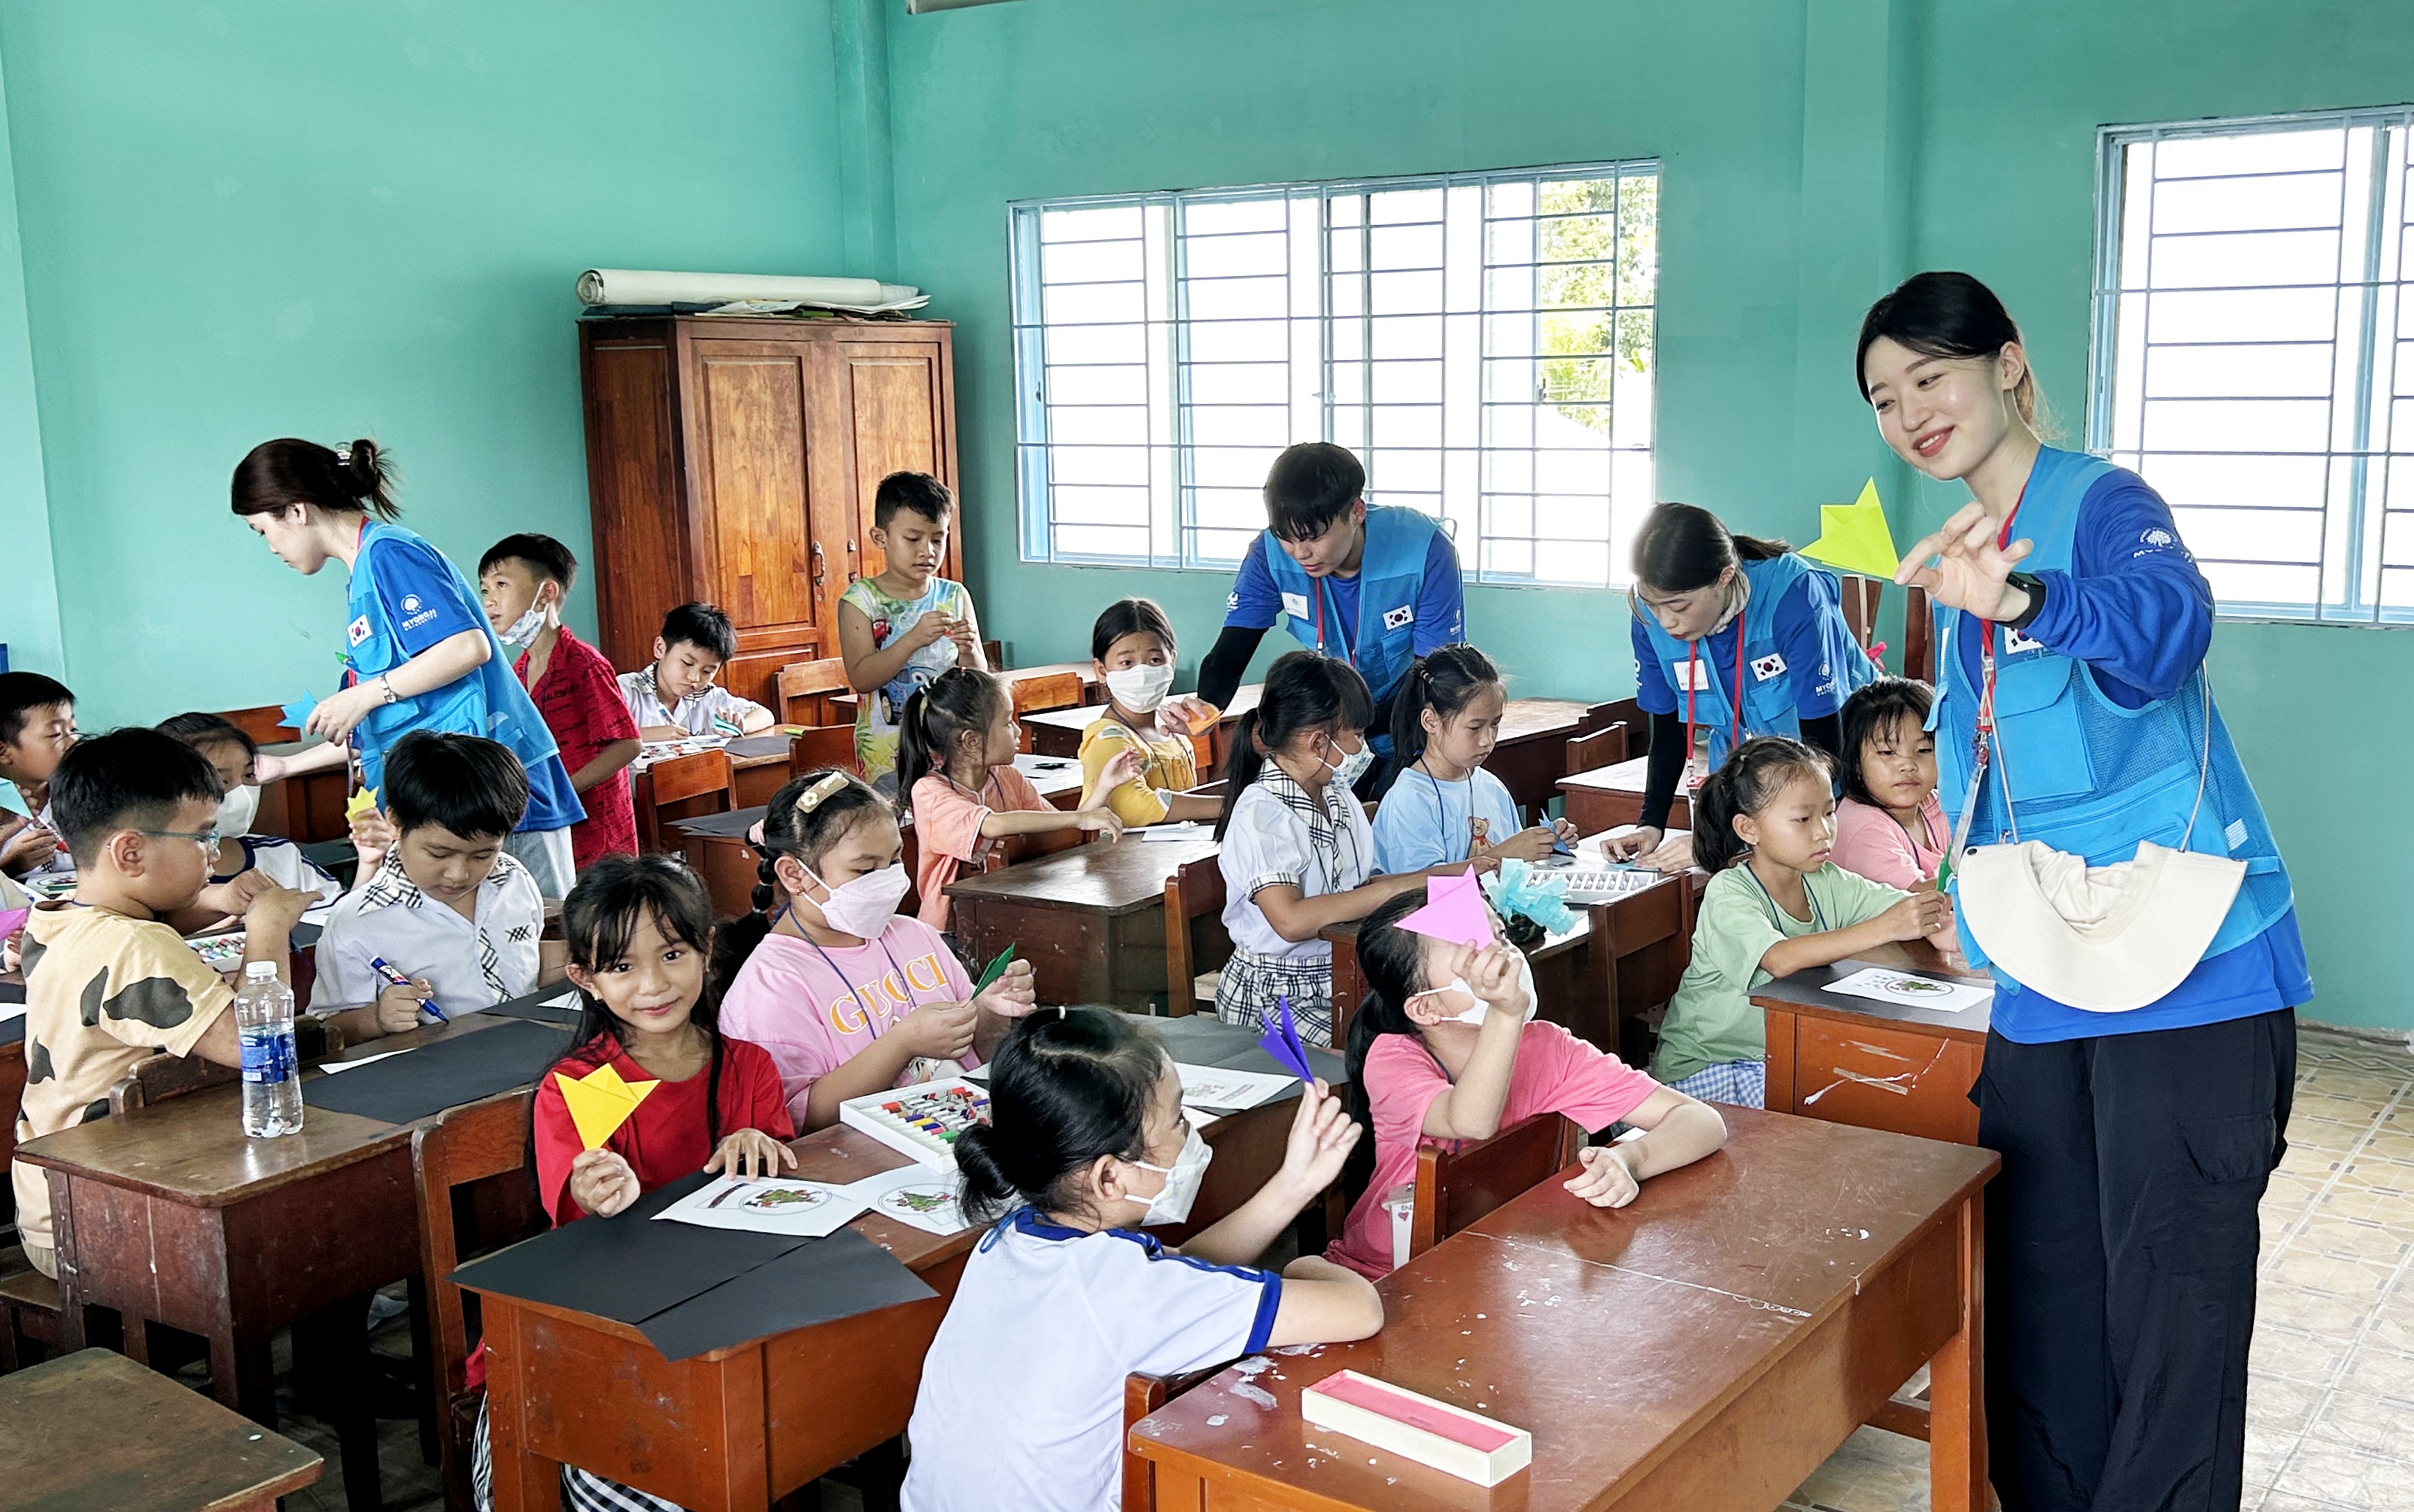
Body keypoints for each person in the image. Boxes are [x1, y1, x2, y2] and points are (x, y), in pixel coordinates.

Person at [1860, 269, 2306, 1512]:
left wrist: (2028, 600)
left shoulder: (2097, 508)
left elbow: (2166, 627)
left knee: (2170, 1312)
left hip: (2192, 981)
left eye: (1928, 378)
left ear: (2006, 363)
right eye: (1885, 400)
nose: (1909, 415)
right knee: (2043, 1296)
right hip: (2044, 985)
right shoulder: (1956, 576)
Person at [901, 1006, 1383, 1512]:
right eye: (1177, 1119)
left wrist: (1295, 1185)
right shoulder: (1124, 1290)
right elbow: (1358, 1309)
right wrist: (1304, 1264)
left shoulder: (1012, 1241)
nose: (1190, 1132)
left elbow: (1177, 1276)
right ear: (1109, 1178)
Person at [469, 852, 794, 1512]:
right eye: (622, 967)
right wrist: (598, 1189)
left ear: (706, 948)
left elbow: (780, 1194)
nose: (654, 984)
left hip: (715, 1315)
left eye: (672, 954)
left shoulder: (748, 1067)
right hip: (595, 1328)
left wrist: (759, 1144)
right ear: (585, 979)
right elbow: (577, 1213)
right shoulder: (581, 1085)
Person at [9, 728, 314, 1278]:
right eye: (201, 837)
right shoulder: (134, 946)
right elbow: (257, 1049)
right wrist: (268, 924)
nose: (215, 852)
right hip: (101, 1220)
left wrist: (220, 898)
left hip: (59, 1197)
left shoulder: (58, 914)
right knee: (314, 1220)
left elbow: (145, 919)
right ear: (130, 851)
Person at [230, 437, 585, 898]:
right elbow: (388, 724)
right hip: (450, 797)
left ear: (296, 511)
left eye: (263, 530)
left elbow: (467, 647)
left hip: (497, 788)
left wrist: (363, 694)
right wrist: (288, 766)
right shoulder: (362, 580)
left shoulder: (389, 553)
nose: (271, 547)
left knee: (537, 946)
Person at [1327, 887, 1726, 1278]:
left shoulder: (1546, 1049)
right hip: (1385, 1276)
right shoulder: (1393, 1058)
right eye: (1473, 954)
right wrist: (1506, 1013)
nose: (1503, 956)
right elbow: (1470, 1121)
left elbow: (1701, 1121)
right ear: (1426, 1007)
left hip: (1501, 1266)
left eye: (1498, 935)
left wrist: (1631, 1159)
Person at [714, 769, 1038, 1130]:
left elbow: (972, 1053)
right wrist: (902, 1044)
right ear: (795, 875)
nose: (888, 881)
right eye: (866, 869)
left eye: (895, 860)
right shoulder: (770, 985)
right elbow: (798, 1120)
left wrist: (990, 1010)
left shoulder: (916, 936)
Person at [1653, 737, 1951, 1107]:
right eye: (1803, 819)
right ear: (1749, 830)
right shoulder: (1729, 891)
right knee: (1848, 1105)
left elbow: (1920, 915)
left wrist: (1946, 922)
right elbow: (1779, 959)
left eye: (1829, 813)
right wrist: (1889, 927)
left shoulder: (1826, 880)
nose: (1824, 831)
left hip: (1779, 1052)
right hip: (1709, 1067)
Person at [1212, 651, 1467, 1049]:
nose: (1363, 746)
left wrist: (1449, 876)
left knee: (1442, 1028)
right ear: (1318, 741)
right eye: (1357, 733)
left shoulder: (1337, 797)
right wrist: (1398, 888)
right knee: (1394, 1053)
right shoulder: (1262, 814)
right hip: (1274, 997)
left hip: (1341, 976)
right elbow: (1291, 920)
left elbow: (1355, 886)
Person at [1602, 502, 1875, 873]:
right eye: (1654, 605)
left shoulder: (1793, 596)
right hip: (1754, 781)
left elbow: (1825, 744)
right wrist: (1652, 824)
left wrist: (1727, 841)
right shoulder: (1648, 617)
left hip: (1838, 776)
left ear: (1725, 576)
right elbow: (1667, 731)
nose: (1667, 621)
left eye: (1680, 606)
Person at [1198, 443, 1465, 796]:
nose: (1300, 553)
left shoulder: (1425, 549)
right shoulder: (1268, 553)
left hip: (1403, 718)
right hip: (1327, 730)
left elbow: (1433, 674)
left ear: (1356, 511)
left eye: (1313, 537)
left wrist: (1351, 727)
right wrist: (1206, 704)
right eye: (1287, 538)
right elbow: (1231, 651)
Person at [308, 731, 564, 1033]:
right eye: (439, 854)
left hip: (528, 1051)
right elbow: (328, 1028)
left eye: (482, 855)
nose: (459, 874)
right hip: (435, 1068)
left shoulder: (513, 879)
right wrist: (377, 1018)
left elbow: (526, 966)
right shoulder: (358, 921)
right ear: (395, 824)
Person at [898, 669, 1128, 932]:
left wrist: (1105, 786)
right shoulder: (929, 792)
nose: (1019, 731)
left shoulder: (1007, 777)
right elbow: (991, 826)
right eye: (1008, 723)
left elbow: (1059, 827)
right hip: (953, 931)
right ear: (971, 741)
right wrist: (1079, 817)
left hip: (1010, 913)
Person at [478, 534, 642, 872]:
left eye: (501, 584)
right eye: (484, 590)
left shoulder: (583, 663)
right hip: (553, 825)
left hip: (599, 832)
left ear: (547, 592)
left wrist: (565, 790)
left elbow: (627, 744)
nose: (490, 600)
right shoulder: (518, 672)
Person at [838, 471, 985, 792]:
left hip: (951, 747)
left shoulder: (955, 596)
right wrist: (913, 639)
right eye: (913, 539)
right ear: (881, 538)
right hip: (888, 754)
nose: (927, 552)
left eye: (938, 539)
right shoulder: (861, 600)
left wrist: (970, 651)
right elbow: (862, 678)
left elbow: (978, 682)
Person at [1373, 644, 1577, 873]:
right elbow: (1418, 890)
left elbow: (1516, 869)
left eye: (1495, 724)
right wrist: (1507, 853)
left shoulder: (1491, 786)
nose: (1487, 740)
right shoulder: (1410, 798)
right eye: (1475, 727)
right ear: (1431, 722)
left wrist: (1547, 843)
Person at [156, 712, 346, 907]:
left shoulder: (281, 854)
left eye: (248, 774)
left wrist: (368, 862)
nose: (242, 792)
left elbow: (341, 914)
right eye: (221, 781)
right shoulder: (155, 875)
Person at [1078, 597, 1223, 827]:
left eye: (1155, 660)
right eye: (1127, 663)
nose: (1143, 672)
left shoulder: (1173, 730)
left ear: (1172, 661)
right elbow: (1133, 807)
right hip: (1121, 860)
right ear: (1102, 670)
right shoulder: (1106, 738)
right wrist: (1228, 806)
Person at [1829, 678, 1948, 889]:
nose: (1908, 766)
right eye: (1887, 753)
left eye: (1924, 750)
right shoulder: (1864, 826)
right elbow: (1922, 902)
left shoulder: (1936, 803)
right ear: (1856, 761)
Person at [617, 602, 776, 740]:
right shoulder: (623, 692)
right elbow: (597, 740)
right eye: (687, 663)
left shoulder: (708, 697)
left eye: (707, 672)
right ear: (660, 648)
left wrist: (742, 726)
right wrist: (647, 735)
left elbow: (765, 715)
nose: (694, 677)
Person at [0, 671, 78, 881]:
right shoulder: (5, 812)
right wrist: (8, 867)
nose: (73, 743)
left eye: (73, 729)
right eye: (55, 735)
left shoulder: (84, 794)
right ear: (4, 752)